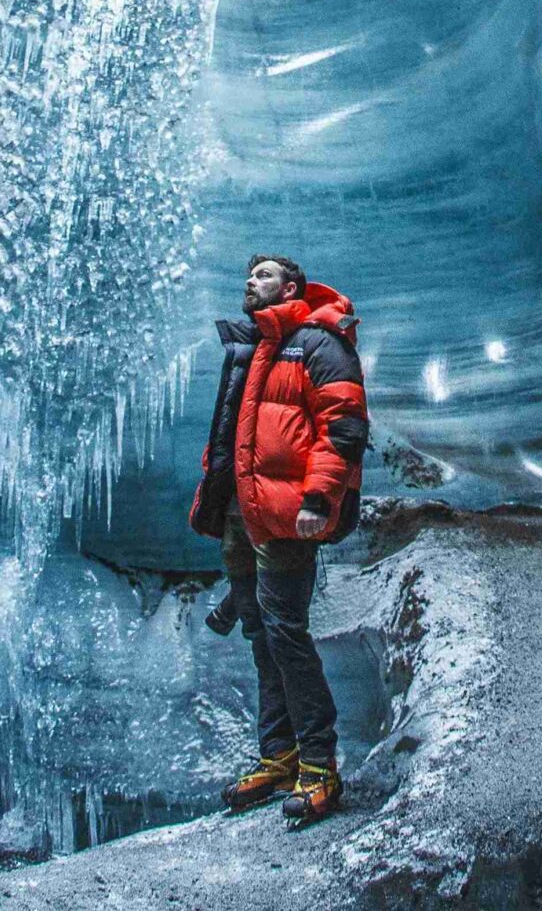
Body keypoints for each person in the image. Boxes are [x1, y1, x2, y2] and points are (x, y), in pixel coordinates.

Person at [188, 253, 369, 827]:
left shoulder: (319, 343)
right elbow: (231, 431)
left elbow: (343, 426)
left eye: (264, 275)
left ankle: (319, 766)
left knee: (286, 632)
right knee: (261, 634)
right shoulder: (250, 347)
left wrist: (319, 498)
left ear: (292, 286)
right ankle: (279, 755)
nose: (251, 281)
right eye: (249, 274)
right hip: (246, 513)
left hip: (289, 514)